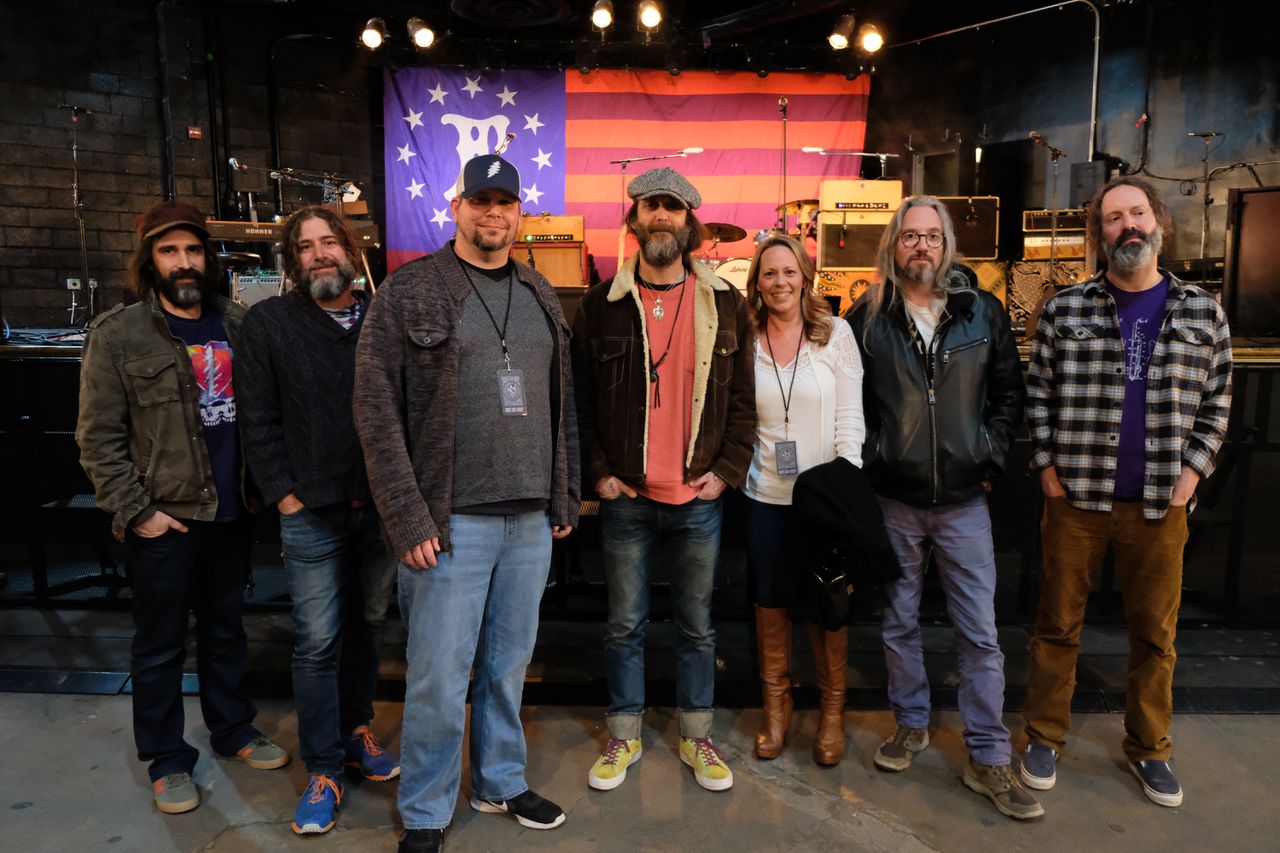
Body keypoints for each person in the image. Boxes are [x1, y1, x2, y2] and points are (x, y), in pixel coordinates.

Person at [354, 154, 579, 853]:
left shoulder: (539, 292)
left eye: (504, 202)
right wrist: (407, 516)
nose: (493, 213)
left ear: (520, 213)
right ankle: (426, 810)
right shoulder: (411, 290)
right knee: (438, 679)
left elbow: (562, 404)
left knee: (507, 668)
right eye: (480, 201)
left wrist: (564, 492)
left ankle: (499, 780)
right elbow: (375, 408)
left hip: (530, 520)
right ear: (456, 207)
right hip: (448, 523)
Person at [1021, 176, 1232, 808]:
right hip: (1076, 502)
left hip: (1161, 505)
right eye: (1113, 218)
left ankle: (1149, 748)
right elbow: (1038, 394)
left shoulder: (1202, 312)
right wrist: (1046, 469)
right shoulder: (1065, 309)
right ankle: (1043, 737)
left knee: (1155, 636)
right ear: (1100, 233)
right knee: (1057, 626)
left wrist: (1191, 473)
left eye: (1137, 213)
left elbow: (1218, 400)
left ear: (1158, 221)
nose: (1127, 226)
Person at [76, 200, 289, 816]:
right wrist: (136, 510)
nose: (184, 262)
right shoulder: (118, 334)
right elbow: (97, 438)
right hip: (165, 519)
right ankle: (167, 759)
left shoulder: (239, 323)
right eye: (169, 251)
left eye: (193, 250)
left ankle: (233, 729)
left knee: (226, 633)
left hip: (232, 513)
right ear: (150, 261)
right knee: (161, 646)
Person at [846, 195, 1041, 820]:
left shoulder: (982, 310)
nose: (922, 246)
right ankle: (911, 723)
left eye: (932, 236)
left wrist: (988, 453)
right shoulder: (866, 318)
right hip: (894, 499)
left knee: (979, 632)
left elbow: (1008, 393)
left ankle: (988, 754)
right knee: (898, 622)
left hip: (964, 500)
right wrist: (876, 456)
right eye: (910, 236)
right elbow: (851, 404)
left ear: (947, 244)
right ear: (893, 245)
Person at [571, 166, 756, 793]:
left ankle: (696, 734)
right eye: (651, 205)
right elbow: (579, 400)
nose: (661, 215)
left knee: (697, 627)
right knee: (624, 625)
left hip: (698, 496)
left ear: (688, 223)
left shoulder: (725, 303)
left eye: (672, 207)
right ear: (634, 218)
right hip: (626, 497)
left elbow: (744, 403)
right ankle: (624, 733)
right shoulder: (600, 304)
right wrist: (600, 474)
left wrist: (725, 473)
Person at [236, 206, 399, 835]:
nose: (320, 254)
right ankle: (324, 768)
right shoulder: (270, 323)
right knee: (317, 642)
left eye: (330, 242)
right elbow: (257, 418)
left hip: (380, 510)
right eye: (306, 247)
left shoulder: (383, 317)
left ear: (352, 253)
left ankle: (356, 727)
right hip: (311, 513)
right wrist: (283, 494)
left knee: (368, 625)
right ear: (292, 261)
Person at [738, 235, 864, 766]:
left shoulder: (836, 334)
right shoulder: (745, 338)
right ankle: (777, 707)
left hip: (824, 499)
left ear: (806, 277)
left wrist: (845, 481)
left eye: (789, 272)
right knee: (770, 600)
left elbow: (850, 416)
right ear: (756, 283)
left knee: (827, 603)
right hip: (765, 494)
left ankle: (832, 711)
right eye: (769, 274)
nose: (780, 282)